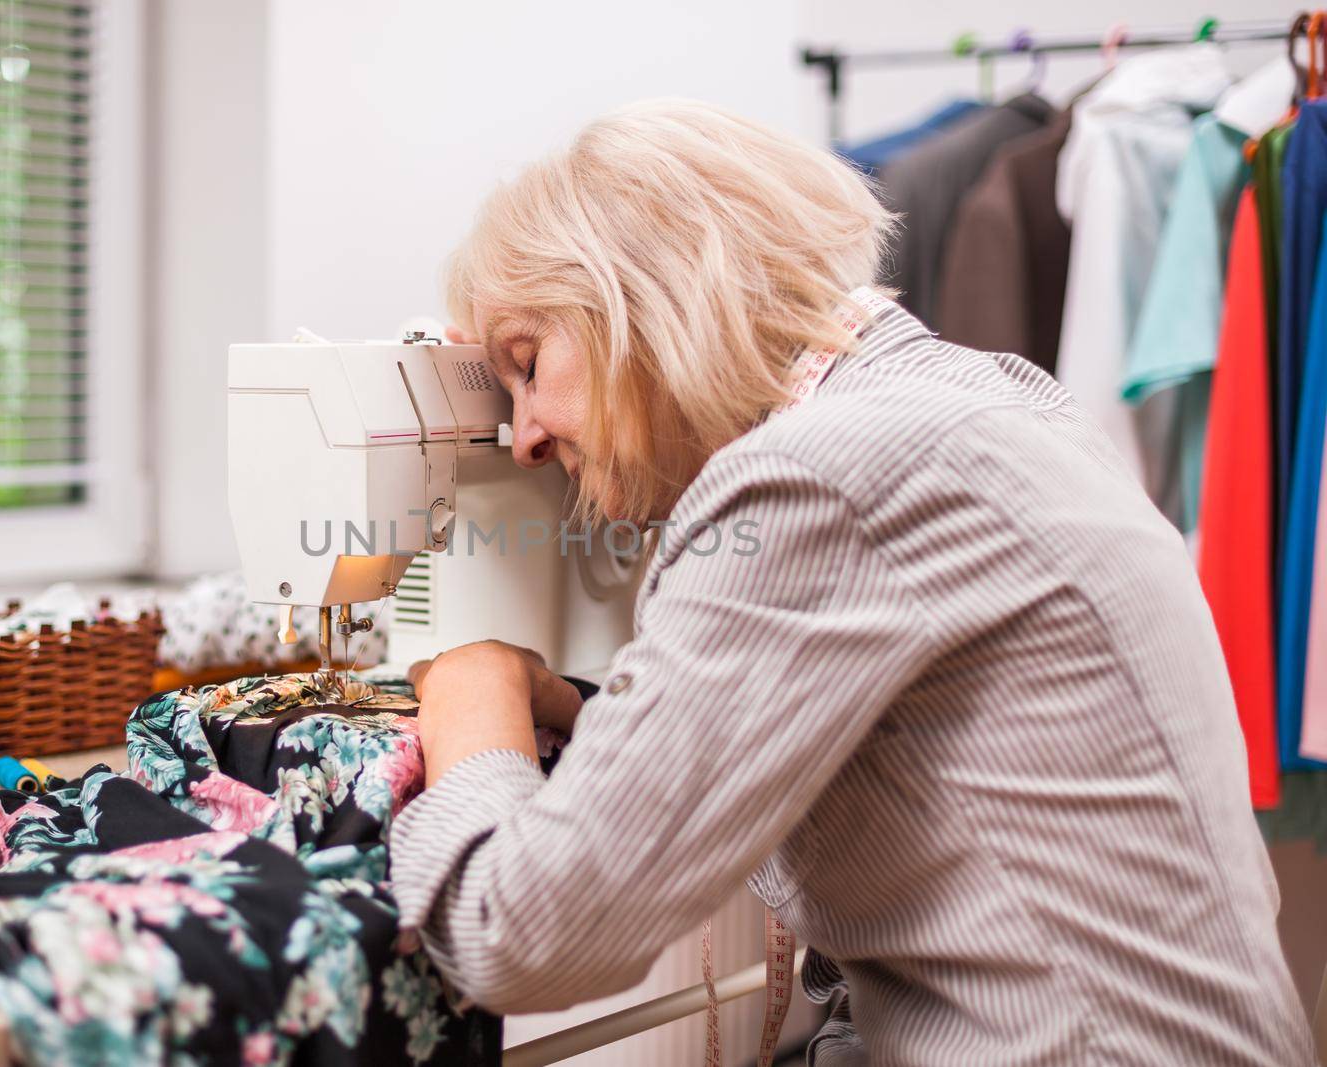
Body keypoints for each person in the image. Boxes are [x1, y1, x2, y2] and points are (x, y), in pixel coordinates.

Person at [390, 99, 1315, 1065]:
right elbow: (915, 753)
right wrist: (583, 710)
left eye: (531, 365)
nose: (527, 435)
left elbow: (526, 934)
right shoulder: (987, 394)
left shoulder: (815, 477)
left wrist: (474, 688)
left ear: (641, 299)